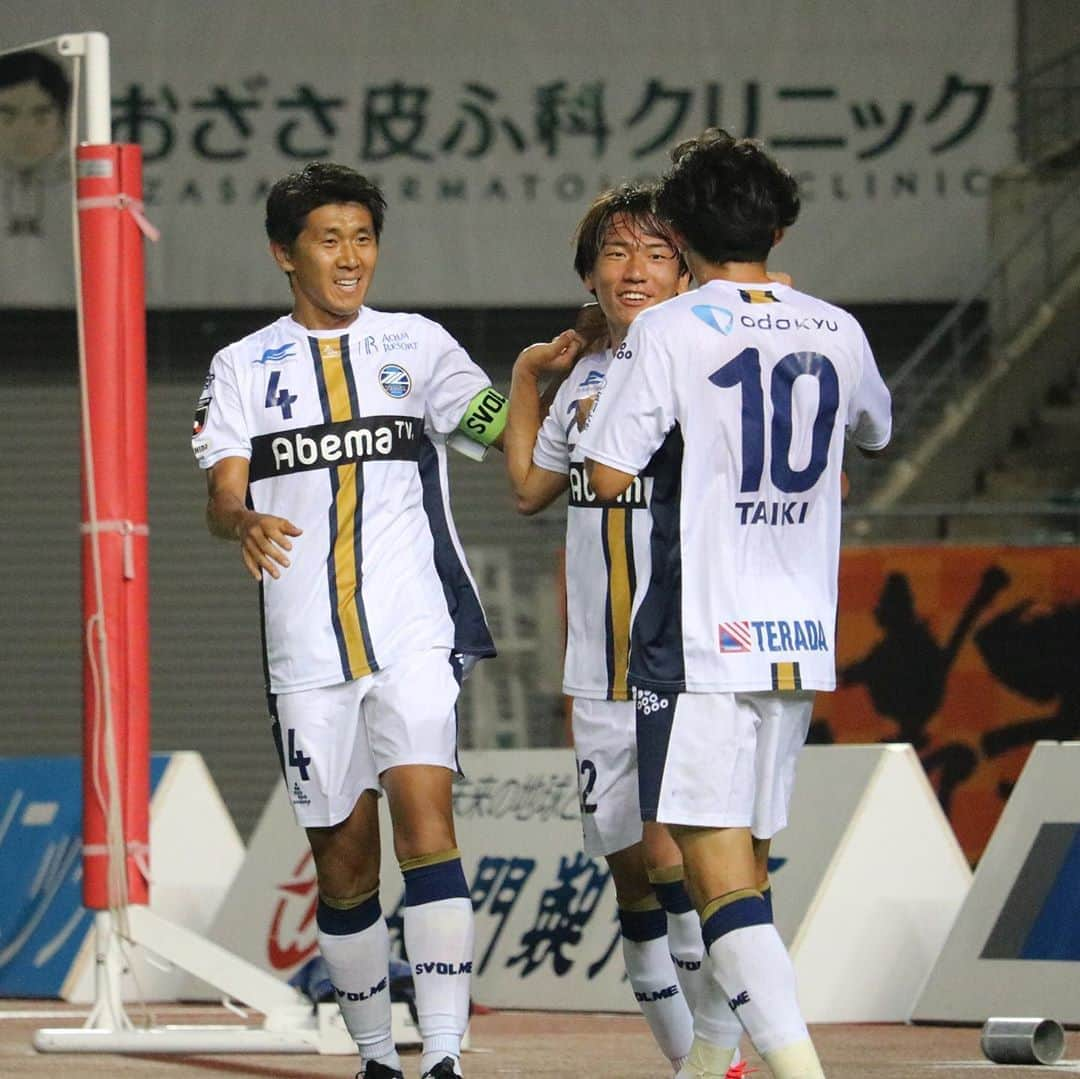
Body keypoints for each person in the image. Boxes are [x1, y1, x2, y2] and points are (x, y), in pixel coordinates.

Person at [579, 130, 892, 1079]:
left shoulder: (671, 331)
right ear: (780, 224)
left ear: (676, 229)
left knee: (718, 884)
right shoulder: (835, 325)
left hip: (700, 636)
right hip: (797, 637)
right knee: (747, 869)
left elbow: (602, 472)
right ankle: (711, 1063)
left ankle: (801, 1071)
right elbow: (873, 429)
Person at [192, 162, 508, 1079]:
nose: (351, 257)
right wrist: (242, 518)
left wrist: (537, 379)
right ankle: (376, 1058)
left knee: (427, 821)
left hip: (414, 631)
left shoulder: (420, 344)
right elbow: (221, 496)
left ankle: (444, 1053)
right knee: (343, 868)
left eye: (364, 238)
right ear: (284, 254)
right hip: (305, 649)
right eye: (330, 240)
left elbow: (494, 427)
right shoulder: (242, 367)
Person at [504, 184, 749, 1078]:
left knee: (672, 850)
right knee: (634, 884)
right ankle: (697, 1061)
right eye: (616, 252)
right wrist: (531, 378)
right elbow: (531, 490)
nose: (635, 269)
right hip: (595, 668)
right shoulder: (589, 376)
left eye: (655, 252)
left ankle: (720, 1060)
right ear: (590, 274)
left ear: (687, 266)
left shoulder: (713, 359)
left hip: (684, 656)